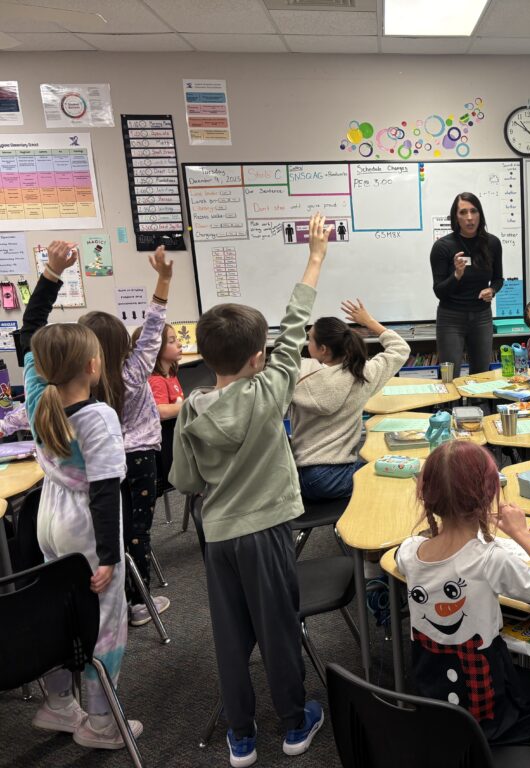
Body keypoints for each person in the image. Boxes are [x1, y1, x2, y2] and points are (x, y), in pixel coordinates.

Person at [170, 213, 332, 767]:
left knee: (231, 636)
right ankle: (294, 723)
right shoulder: (269, 390)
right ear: (259, 357)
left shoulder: (191, 409)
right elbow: (295, 327)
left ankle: (240, 736)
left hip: (218, 538)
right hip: (266, 532)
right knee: (279, 629)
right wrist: (315, 257)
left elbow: (185, 482)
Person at [21, 240, 143, 750]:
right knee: (104, 624)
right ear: (94, 367)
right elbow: (105, 491)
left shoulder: (37, 395)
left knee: (60, 610)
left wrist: (51, 273)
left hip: (48, 519)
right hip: (87, 530)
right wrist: (111, 558)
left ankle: (57, 702)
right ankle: (100, 722)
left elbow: (31, 330)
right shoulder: (98, 417)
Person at [395, 440, 530, 746]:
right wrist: (522, 534)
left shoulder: (410, 552)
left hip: (433, 705)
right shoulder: (490, 559)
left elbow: (404, 553)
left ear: (425, 494)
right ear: (489, 496)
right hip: (488, 713)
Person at [79, 247, 174, 628]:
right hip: (140, 460)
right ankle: (138, 603)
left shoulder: (83, 383)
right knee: (139, 531)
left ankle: (119, 599)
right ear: (121, 344)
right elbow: (152, 329)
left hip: (104, 464)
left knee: (115, 530)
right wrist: (163, 279)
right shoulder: (134, 372)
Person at [289, 298, 409, 502]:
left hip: (300, 476)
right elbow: (400, 349)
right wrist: (369, 322)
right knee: (403, 475)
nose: (307, 344)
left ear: (323, 349)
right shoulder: (363, 373)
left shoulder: (297, 372)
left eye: (310, 339)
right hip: (334, 475)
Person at [430, 192, 504, 374]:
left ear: (480, 214)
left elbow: (498, 279)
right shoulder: (443, 246)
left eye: (473, 211)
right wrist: (456, 275)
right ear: (456, 217)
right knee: (450, 375)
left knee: (481, 375)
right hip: (451, 318)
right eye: (463, 212)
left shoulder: (492, 243)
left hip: (482, 317)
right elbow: (439, 291)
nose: (469, 218)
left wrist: (492, 290)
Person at [136, 323, 185, 421]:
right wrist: (190, 404)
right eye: (171, 341)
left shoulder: (170, 374)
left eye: (176, 339)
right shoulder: (156, 380)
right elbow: (161, 411)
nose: (179, 344)